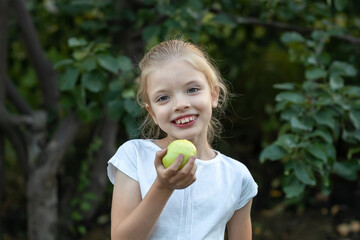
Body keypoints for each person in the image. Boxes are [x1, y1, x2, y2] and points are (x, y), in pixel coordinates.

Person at [107, 38, 258, 240]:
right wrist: (163, 187)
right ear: (152, 113)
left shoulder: (237, 177)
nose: (180, 104)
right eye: (163, 98)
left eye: (192, 89)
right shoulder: (134, 157)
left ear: (214, 95)